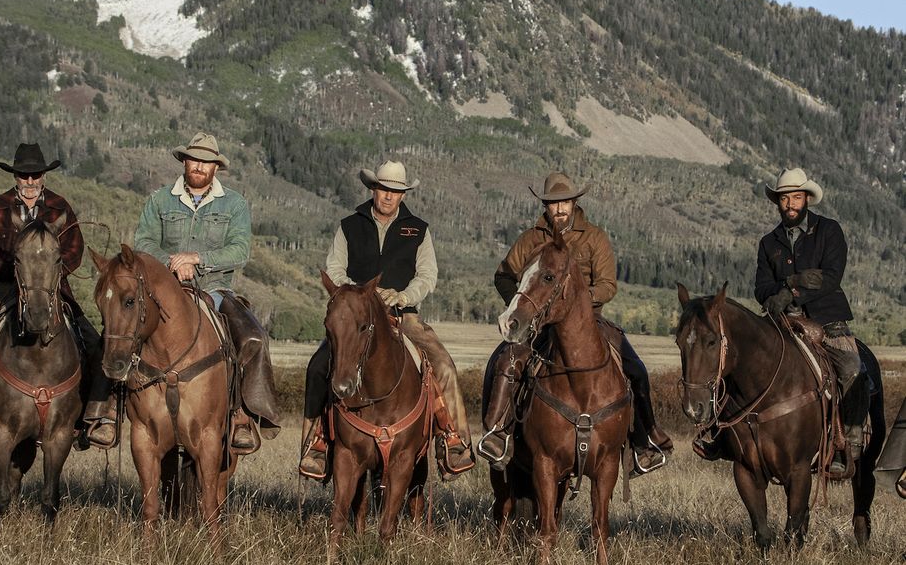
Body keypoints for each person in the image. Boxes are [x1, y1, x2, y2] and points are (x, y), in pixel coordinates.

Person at [84, 132, 281, 453]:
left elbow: (240, 250)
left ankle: (242, 416)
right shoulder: (159, 200)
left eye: (207, 161)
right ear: (184, 161)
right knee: (117, 329)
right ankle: (106, 411)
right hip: (162, 290)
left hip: (215, 289)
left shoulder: (235, 204)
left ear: (216, 167)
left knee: (254, 338)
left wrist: (198, 259)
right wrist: (171, 263)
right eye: (195, 159)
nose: (200, 165)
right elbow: (144, 244)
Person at [479, 171, 673, 474]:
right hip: (540, 322)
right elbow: (503, 275)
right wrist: (522, 306)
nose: (559, 209)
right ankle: (498, 433)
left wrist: (578, 301)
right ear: (545, 205)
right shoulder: (532, 239)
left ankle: (645, 441)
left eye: (565, 202)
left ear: (575, 202)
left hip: (589, 320)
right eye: (553, 204)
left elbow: (608, 285)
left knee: (635, 368)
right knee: (507, 360)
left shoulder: (594, 237)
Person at [299, 159, 476, 480]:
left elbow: (428, 275)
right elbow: (334, 267)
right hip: (356, 318)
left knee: (443, 365)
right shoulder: (350, 225)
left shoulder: (418, 229)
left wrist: (405, 296)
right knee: (317, 367)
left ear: (403, 194)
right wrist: (359, 294)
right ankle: (317, 443)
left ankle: (452, 439)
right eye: (384, 189)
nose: (389, 196)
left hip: (402, 315)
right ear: (373, 188)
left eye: (396, 191)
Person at [0, 142, 100, 443]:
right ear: (15, 176)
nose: (30, 182)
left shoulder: (60, 207)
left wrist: (49, 273)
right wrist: (13, 269)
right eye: (23, 175)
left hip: (51, 287)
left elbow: (74, 249)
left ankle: (92, 416)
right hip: (2, 284)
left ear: (43, 175)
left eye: (35, 175)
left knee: (93, 342)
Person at [754, 167, 868, 475]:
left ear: (807, 199)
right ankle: (728, 435)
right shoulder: (769, 243)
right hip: (783, 324)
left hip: (829, 319)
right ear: (777, 202)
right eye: (784, 198)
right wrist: (798, 280)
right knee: (741, 365)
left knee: (852, 370)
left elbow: (829, 279)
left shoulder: (829, 231)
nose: (790, 204)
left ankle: (850, 441)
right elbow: (760, 288)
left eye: (795, 197)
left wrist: (788, 288)